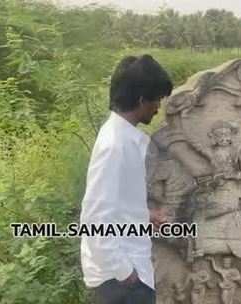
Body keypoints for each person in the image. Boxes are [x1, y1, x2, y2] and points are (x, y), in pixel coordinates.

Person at [80, 54, 173, 304]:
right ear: (142, 100)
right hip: (122, 282)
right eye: (157, 100)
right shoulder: (114, 146)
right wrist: (125, 272)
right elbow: (94, 216)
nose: (158, 109)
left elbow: (118, 204)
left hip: (130, 273)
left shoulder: (125, 138)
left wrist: (144, 216)